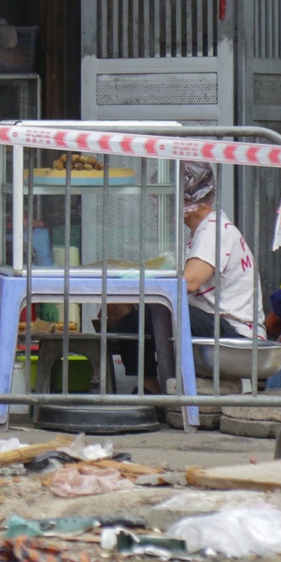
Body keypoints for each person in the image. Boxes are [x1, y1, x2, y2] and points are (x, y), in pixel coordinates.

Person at [109, 160, 260, 392]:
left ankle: (153, 387)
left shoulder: (214, 230)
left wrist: (138, 291)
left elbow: (189, 281)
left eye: (165, 197)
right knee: (133, 316)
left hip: (235, 334)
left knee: (155, 308)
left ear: (183, 196)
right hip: (214, 324)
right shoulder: (201, 232)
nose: (161, 206)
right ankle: (149, 385)